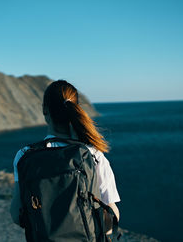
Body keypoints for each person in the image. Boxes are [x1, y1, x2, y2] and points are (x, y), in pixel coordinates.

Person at [10, 80, 121, 239]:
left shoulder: (25, 155)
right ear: (76, 110)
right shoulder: (92, 154)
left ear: (45, 111)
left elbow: (16, 215)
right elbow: (111, 213)